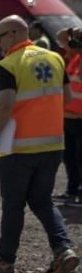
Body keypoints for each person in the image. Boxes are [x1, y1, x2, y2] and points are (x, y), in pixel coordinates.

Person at [0, 15, 78, 273]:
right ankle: (64, 250)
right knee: (43, 201)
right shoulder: (56, 59)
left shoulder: (8, 64)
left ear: (11, 35)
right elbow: (66, 98)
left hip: (19, 148)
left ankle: (5, 260)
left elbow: (5, 103)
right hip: (53, 145)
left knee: (14, 205)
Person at [58, 28, 82, 206]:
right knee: (69, 157)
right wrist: (71, 31)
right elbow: (61, 36)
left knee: (80, 157)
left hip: (80, 119)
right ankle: (72, 190)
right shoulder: (75, 58)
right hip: (68, 118)